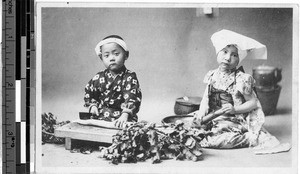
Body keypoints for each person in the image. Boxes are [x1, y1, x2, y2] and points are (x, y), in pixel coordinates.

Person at [193, 29, 290, 152]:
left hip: (233, 121)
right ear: (218, 52)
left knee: (214, 140)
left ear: (239, 59)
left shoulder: (242, 79)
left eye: (234, 55)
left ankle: (250, 138)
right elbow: (206, 98)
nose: (228, 58)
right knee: (190, 128)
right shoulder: (212, 75)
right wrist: (201, 113)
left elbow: (253, 103)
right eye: (225, 52)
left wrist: (235, 110)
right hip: (214, 117)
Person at [84, 35, 142, 128]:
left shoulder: (129, 77)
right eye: (106, 55)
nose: (111, 58)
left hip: (123, 117)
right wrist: (93, 106)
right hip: (101, 116)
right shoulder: (98, 77)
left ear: (126, 55)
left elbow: (132, 97)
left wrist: (125, 114)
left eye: (116, 54)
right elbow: (89, 92)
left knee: (126, 132)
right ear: (101, 58)